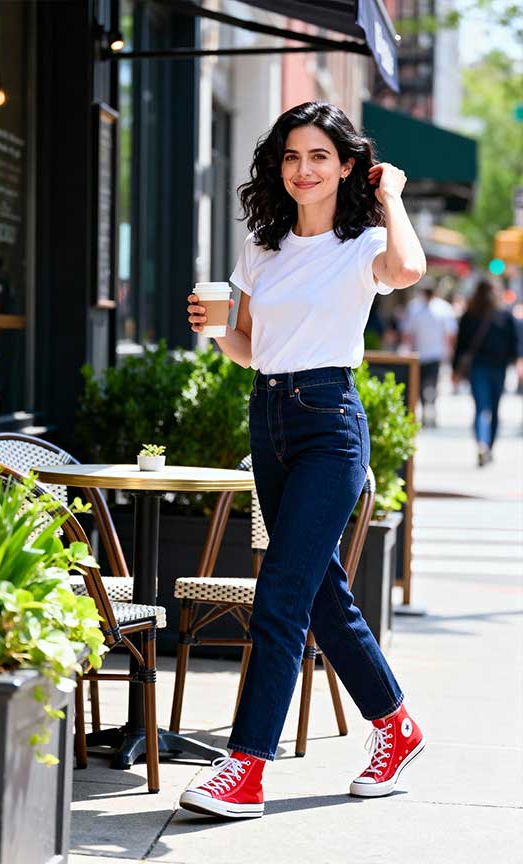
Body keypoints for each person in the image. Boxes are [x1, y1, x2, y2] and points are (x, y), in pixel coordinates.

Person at [182, 101, 427, 819]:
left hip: (330, 424)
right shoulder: (263, 244)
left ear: (347, 164)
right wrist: (216, 331)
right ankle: (396, 726)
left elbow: (408, 269)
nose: (302, 170)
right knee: (320, 592)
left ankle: (246, 765)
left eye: (319, 156)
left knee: (281, 594)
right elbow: (255, 349)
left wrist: (393, 194)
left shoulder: (365, 243)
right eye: (291, 156)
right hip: (270, 414)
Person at [452, 279, 520, 466]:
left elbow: (460, 346)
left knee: (485, 408)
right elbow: (515, 344)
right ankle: (485, 444)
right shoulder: (501, 315)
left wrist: (455, 370)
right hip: (488, 368)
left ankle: (485, 444)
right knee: (488, 408)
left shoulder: (498, 315)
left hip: (488, 368)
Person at [402, 285, 457, 426]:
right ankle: (428, 408)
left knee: (430, 383)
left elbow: (450, 333)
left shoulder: (440, 308)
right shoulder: (416, 308)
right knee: (424, 384)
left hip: (432, 354)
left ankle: (429, 408)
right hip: (423, 354)